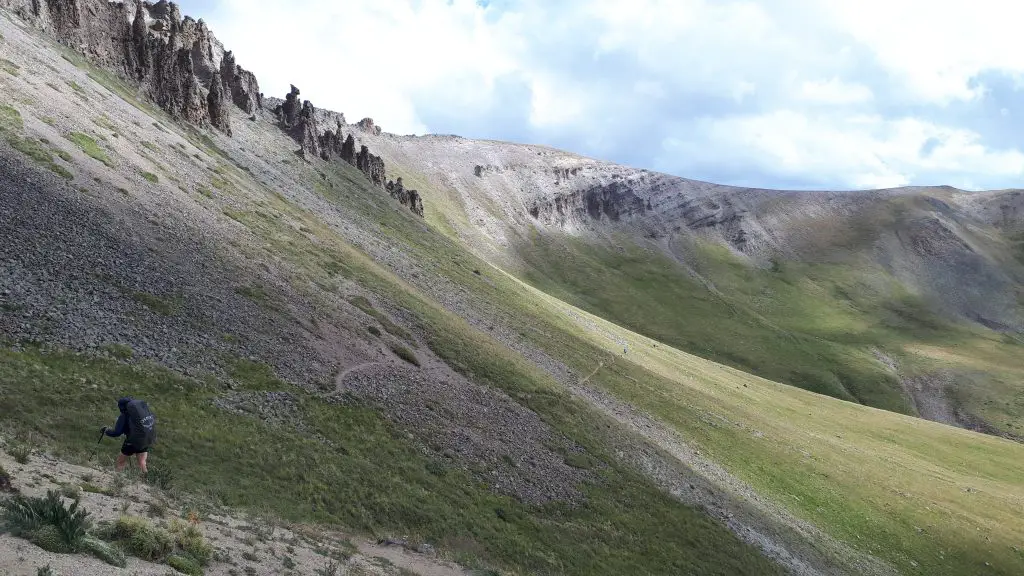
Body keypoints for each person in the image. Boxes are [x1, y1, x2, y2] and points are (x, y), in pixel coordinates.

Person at [102, 396, 157, 474]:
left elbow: (117, 433)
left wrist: (106, 431)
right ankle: (146, 481)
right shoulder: (141, 414)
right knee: (142, 462)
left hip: (131, 442)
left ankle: (118, 479)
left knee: (121, 462)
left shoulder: (124, 416)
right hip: (144, 440)